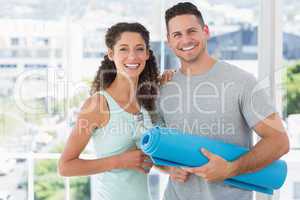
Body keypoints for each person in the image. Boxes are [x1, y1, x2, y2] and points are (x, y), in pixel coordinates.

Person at [155, 2, 290, 200]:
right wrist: (168, 168)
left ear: (206, 32)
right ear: (169, 41)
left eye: (191, 31)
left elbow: (279, 141)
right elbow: (155, 148)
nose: (185, 40)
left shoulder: (241, 81)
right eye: (177, 34)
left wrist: (231, 169)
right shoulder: (163, 87)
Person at [58, 22, 160, 200]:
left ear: (146, 54)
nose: (132, 56)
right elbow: (65, 166)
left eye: (139, 49)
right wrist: (119, 161)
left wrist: (171, 168)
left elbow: (145, 158)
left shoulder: (145, 103)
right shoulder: (98, 104)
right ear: (111, 54)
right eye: (123, 49)